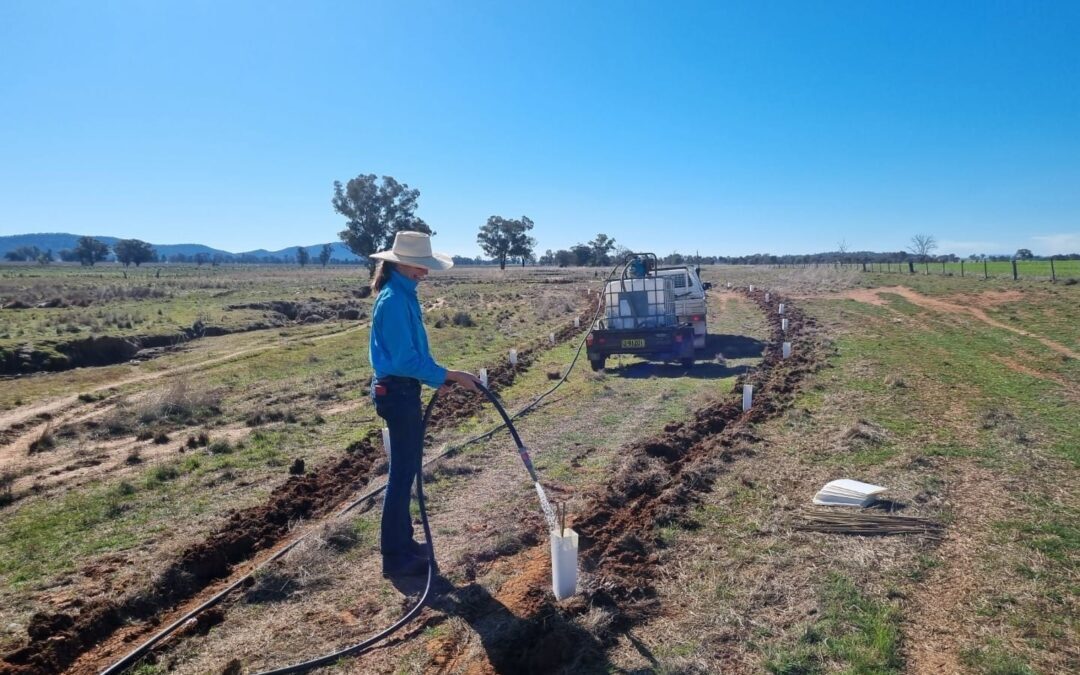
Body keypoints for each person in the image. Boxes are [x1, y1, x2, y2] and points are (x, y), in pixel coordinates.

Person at [368, 231, 481, 577]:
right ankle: (395, 558)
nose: (426, 272)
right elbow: (403, 360)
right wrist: (451, 374)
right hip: (397, 391)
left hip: (404, 389)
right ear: (401, 264)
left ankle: (404, 544)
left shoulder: (404, 296)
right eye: (420, 266)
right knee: (401, 475)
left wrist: (436, 378)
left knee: (406, 470)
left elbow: (414, 356)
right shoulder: (394, 301)